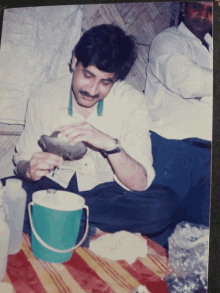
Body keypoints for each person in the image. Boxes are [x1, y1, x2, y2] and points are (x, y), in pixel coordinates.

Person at [2, 24, 179, 248]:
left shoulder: (133, 102)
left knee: (164, 204)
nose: (93, 90)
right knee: (4, 194)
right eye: (88, 75)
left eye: (105, 82)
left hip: (105, 196)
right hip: (53, 190)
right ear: (74, 61)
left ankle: (58, 223)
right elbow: (21, 160)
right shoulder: (43, 97)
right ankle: (92, 231)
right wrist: (30, 168)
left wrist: (110, 145)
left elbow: (140, 183)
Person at [144, 2, 213, 227]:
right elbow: (188, 82)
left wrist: (204, 92)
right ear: (184, 7)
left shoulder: (213, 47)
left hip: (208, 158)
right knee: (156, 227)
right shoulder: (167, 41)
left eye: (211, 10)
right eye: (198, 7)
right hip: (172, 151)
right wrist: (198, 89)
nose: (204, 16)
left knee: (197, 233)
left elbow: (200, 84)